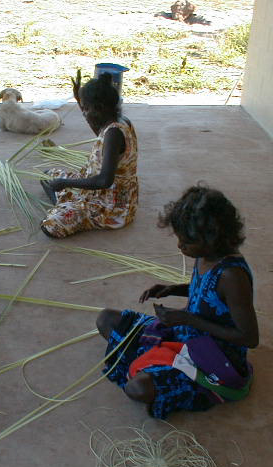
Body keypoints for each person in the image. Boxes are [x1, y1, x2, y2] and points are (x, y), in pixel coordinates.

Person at [96, 185, 259, 419]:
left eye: (186, 241)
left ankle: (180, 379)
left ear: (211, 238)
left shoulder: (232, 276)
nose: (180, 246)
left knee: (138, 388)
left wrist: (188, 319)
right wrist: (174, 289)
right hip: (184, 333)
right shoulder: (205, 255)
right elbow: (207, 294)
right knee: (106, 318)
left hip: (212, 357)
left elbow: (249, 338)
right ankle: (152, 359)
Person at [39, 71, 138, 238]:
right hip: (97, 189)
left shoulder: (114, 134)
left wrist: (65, 182)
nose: (83, 114)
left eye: (85, 109)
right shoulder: (118, 121)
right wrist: (79, 100)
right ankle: (68, 204)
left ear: (99, 109)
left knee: (50, 226)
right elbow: (99, 132)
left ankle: (68, 207)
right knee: (47, 176)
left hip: (111, 205)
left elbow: (104, 181)